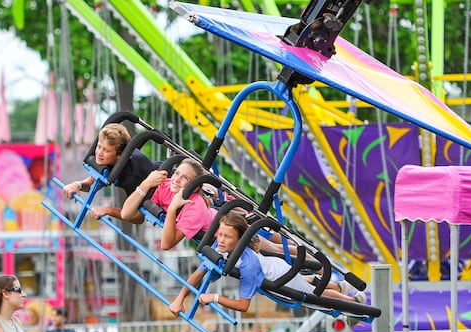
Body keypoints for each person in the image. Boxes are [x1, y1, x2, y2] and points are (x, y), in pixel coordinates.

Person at [168, 213, 364, 316]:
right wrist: (180, 299)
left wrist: (215, 297)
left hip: (282, 279)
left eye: (227, 237)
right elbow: (198, 273)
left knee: (313, 296)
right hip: (273, 266)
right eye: (220, 234)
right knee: (309, 283)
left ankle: (354, 302)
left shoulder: (248, 265)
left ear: (239, 240)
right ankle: (338, 286)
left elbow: (243, 306)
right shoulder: (219, 247)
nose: (221, 240)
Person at [62, 123, 157, 220]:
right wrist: (77, 185)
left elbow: (138, 217)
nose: (99, 153)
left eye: (106, 151)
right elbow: (93, 182)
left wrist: (108, 210)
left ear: (119, 156)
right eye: (99, 147)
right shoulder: (110, 161)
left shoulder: (132, 175)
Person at [121, 157, 216, 249]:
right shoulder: (166, 186)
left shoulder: (196, 207)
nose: (176, 180)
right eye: (176, 173)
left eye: (185, 178)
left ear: (195, 188)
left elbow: (166, 245)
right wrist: (147, 183)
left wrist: (172, 208)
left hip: (219, 237)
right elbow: (126, 214)